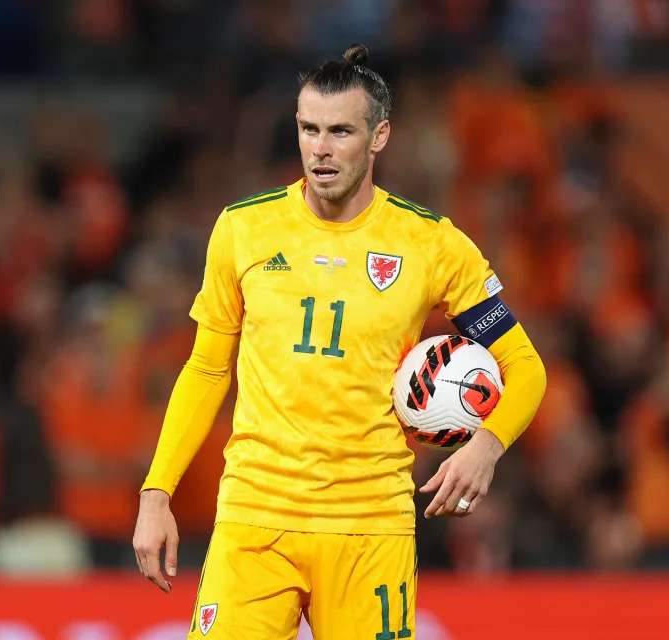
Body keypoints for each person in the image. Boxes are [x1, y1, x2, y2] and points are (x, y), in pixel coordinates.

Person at [132, 45, 547, 639]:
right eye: (308, 129)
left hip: (369, 526)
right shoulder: (242, 229)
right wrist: (157, 492)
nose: (320, 149)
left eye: (340, 131)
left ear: (379, 137)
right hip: (256, 518)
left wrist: (486, 447)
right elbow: (205, 370)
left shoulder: (431, 243)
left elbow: (526, 367)